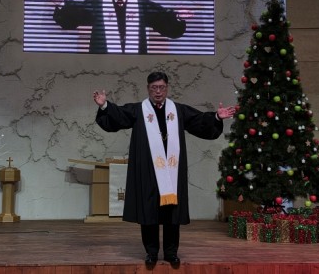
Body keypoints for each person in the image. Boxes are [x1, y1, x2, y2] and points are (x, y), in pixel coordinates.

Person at [93, 71, 235, 266]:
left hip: (172, 172)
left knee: (172, 214)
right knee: (149, 212)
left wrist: (217, 117)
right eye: (154, 88)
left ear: (167, 88)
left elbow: (199, 121)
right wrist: (104, 106)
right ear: (148, 89)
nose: (158, 91)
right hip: (148, 171)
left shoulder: (177, 110)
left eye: (161, 87)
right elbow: (118, 116)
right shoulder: (139, 110)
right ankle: (151, 253)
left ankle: (171, 253)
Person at [51, 0, 191, 54]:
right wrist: (61, 3)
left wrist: (178, 17)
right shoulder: (97, 5)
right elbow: (76, 13)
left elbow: (163, 19)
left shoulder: (142, 6)